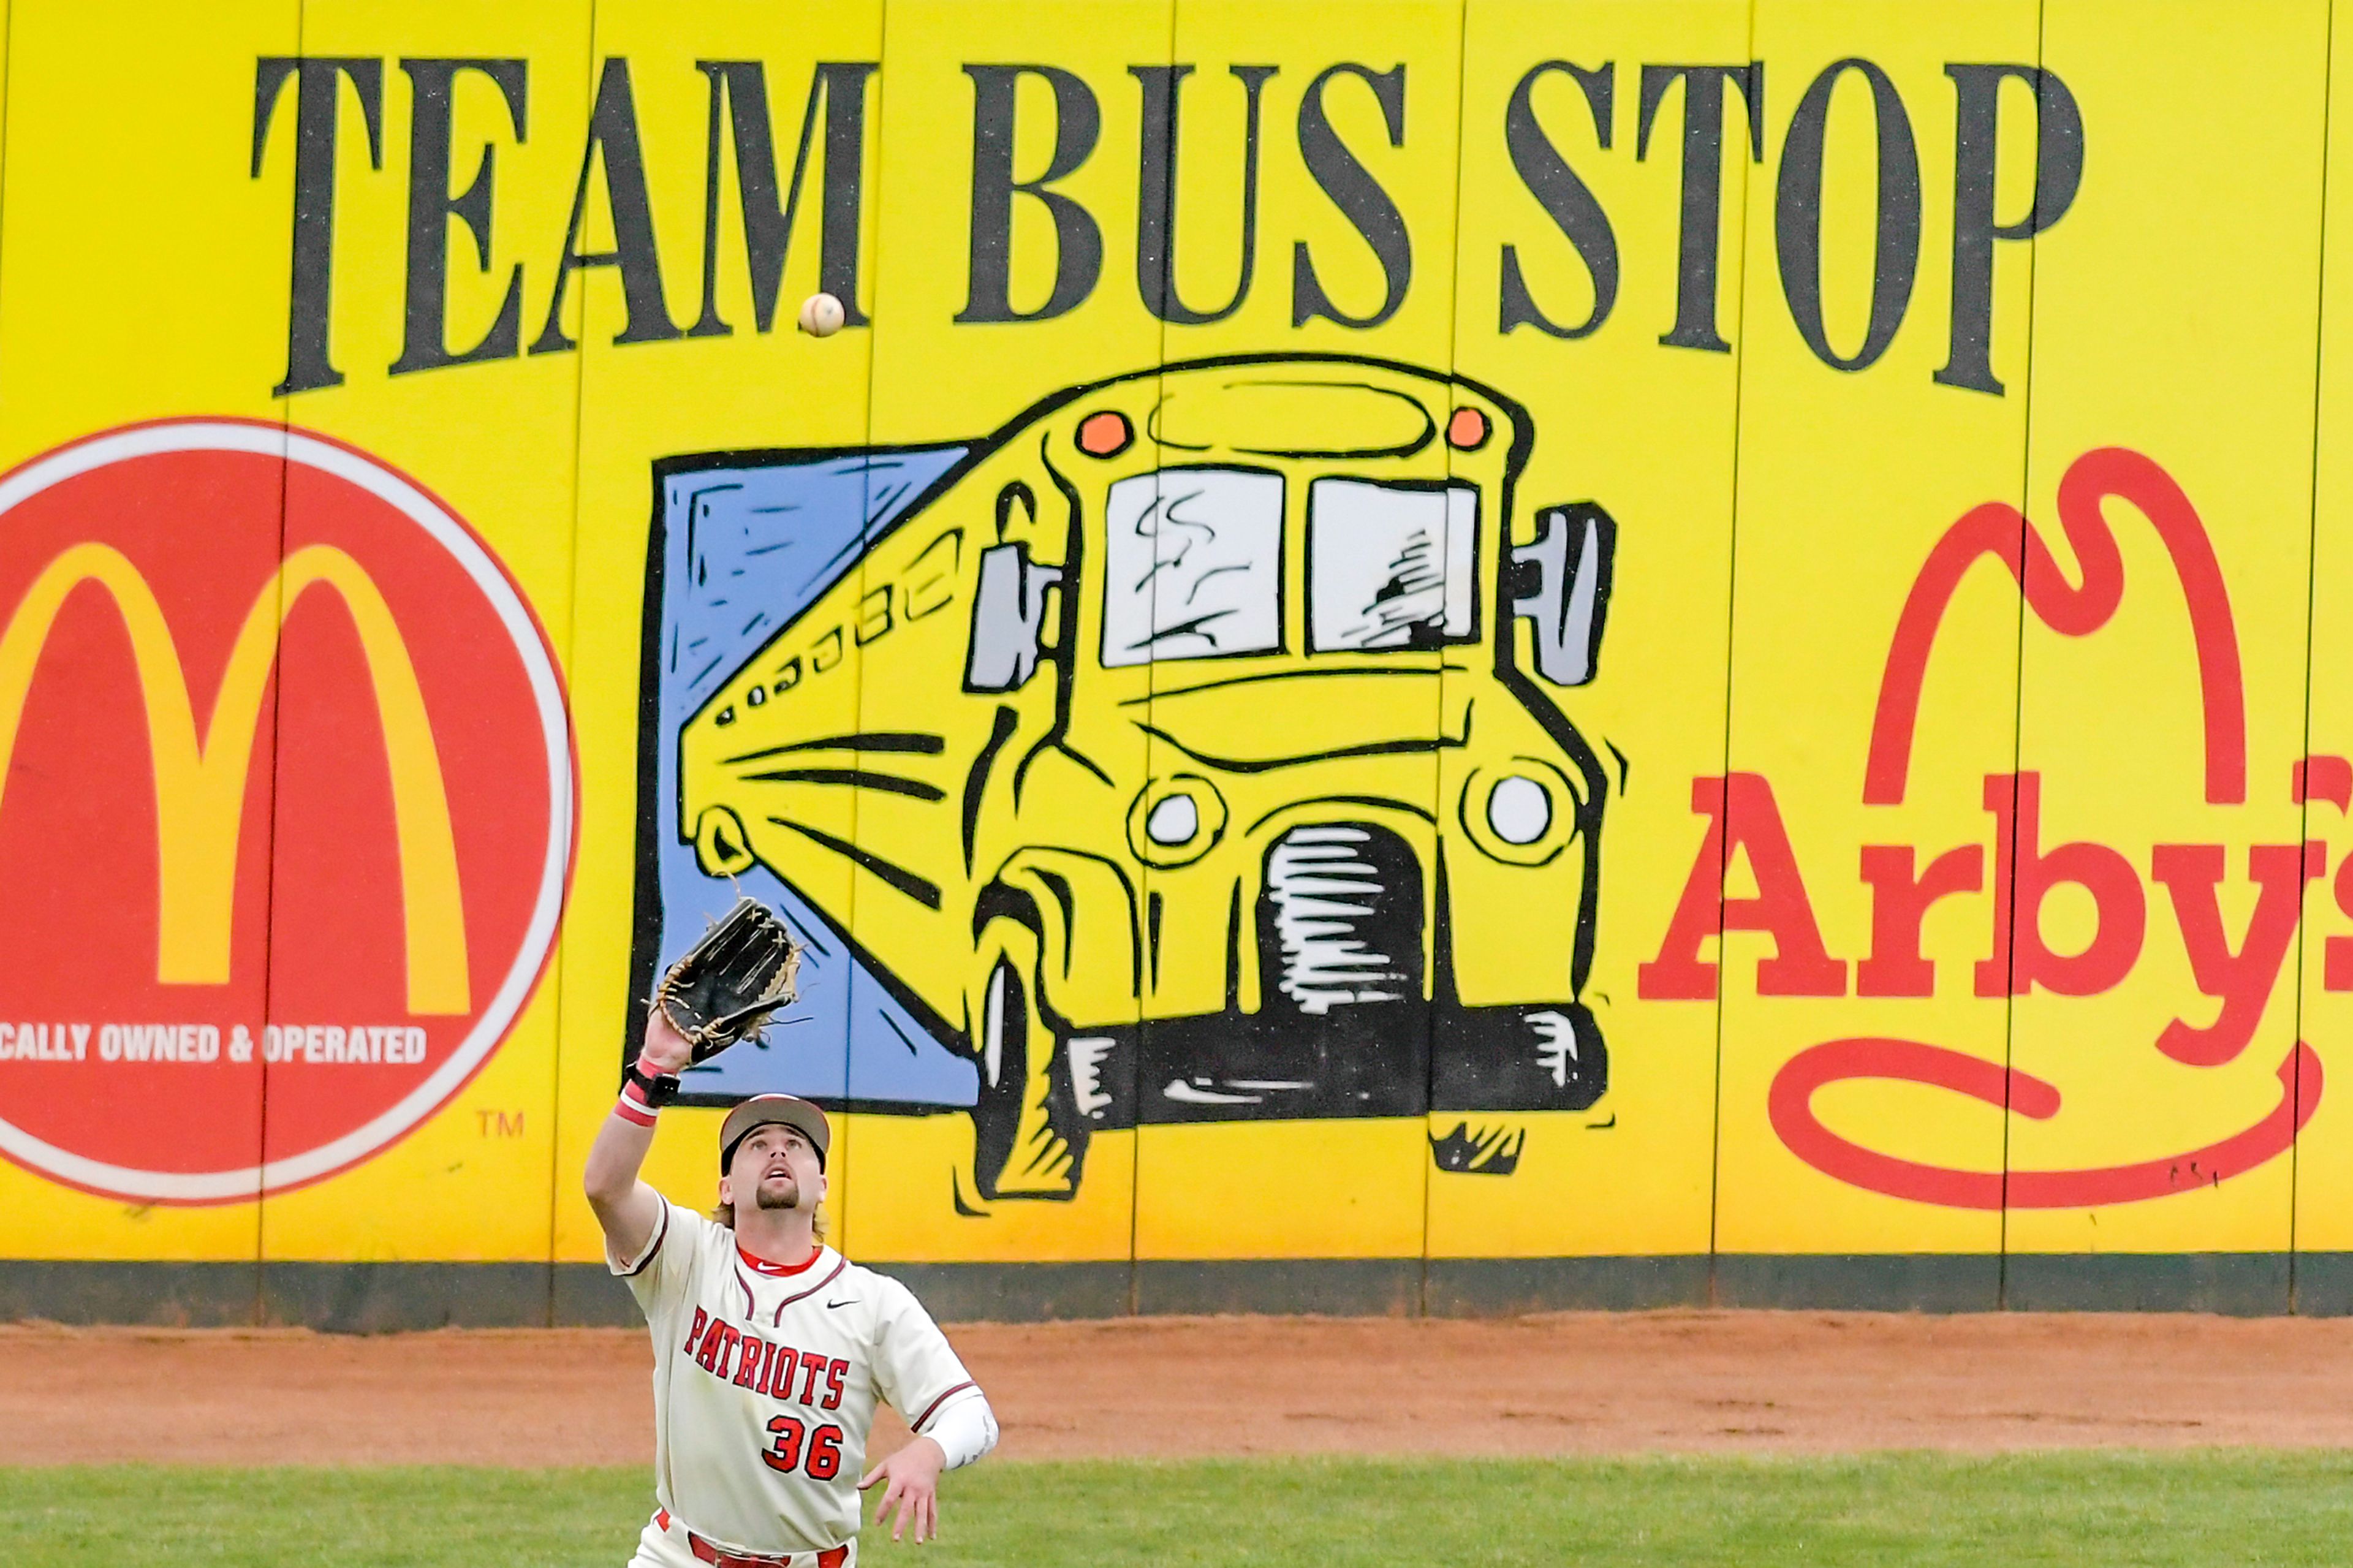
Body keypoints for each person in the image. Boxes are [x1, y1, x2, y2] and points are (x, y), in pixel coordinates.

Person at [585, 1006, 998, 1566]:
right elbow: (606, 1187)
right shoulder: (687, 1258)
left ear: (821, 1183)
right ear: (727, 1186)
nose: (778, 1149)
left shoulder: (873, 1303)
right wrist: (655, 1066)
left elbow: (972, 1413)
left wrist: (929, 1449)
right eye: (756, 1143)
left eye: (796, 1144)